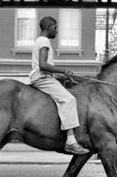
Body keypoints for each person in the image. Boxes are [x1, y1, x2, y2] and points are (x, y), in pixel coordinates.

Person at [30, 16, 89, 155]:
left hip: (43, 76)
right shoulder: (44, 41)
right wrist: (63, 70)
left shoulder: (40, 40)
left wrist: (61, 77)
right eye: (55, 28)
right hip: (42, 77)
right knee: (69, 99)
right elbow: (43, 65)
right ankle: (70, 141)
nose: (57, 31)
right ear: (48, 27)